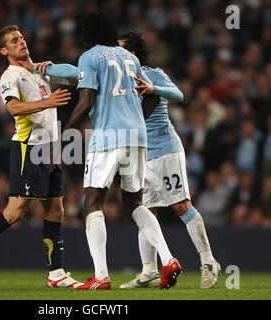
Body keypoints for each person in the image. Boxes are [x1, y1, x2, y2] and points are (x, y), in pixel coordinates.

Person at [61, 12, 182, 290]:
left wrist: (63, 135)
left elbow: (85, 100)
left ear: (89, 33)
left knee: (92, 202)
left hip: (108, 136)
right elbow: (151, 92)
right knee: (134, 203)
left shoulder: (90, 57)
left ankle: (101, 276)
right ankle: (169, 259)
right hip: (137, 136)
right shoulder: (131, 58)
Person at [0, 25, 82, 289]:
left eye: (22, 38)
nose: (22, 42)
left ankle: (56, 273)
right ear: (5, 50)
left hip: (50, 147)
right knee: (16, 211)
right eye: (14, 41)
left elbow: (77, 78)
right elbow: (13, 108)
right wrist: (47, 103)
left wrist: (53, 69)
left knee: (56, 209)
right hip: (29, 146)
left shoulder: (39, 71)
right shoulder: (10, 75)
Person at [117, 31, 221, 289]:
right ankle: (149, 271)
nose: (117, 55)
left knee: (181, 205)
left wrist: (153, 89)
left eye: (121, 49)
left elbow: (178, 95)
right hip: (142, 154)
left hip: (165, 150)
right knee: (146, 212)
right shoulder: (118, 82)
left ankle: (209, 262)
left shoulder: (152, 73)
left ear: (134, 53)